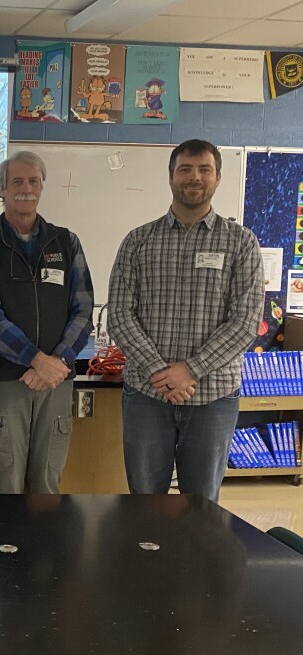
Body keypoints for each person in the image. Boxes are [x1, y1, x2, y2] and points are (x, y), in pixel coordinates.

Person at [108, 139, 264, 503]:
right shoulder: (138, 241)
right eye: (185, 169)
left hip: (213, 397)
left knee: (202, 504)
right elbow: (118, 313)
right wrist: (162, 374)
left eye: (204, 169)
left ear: (218, 178)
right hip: (147, 396)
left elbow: (245, 321)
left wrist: (190, 370)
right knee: (145, 500)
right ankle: (148, 561)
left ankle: (194, 564)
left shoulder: (241, 243)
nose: (195, 177)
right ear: (171, 177)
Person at [0, 151, 94, 494]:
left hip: (55, 381)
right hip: (4, 382)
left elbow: (83, 310)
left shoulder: (66, 242)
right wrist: (37, 360)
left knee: (48, 482)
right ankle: (5, 549)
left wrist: (58, 362)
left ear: (42, 187)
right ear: (2, 190)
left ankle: (44, 549)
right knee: (5, 482)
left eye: (33, 181)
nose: (26, 189)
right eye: (17, 182)